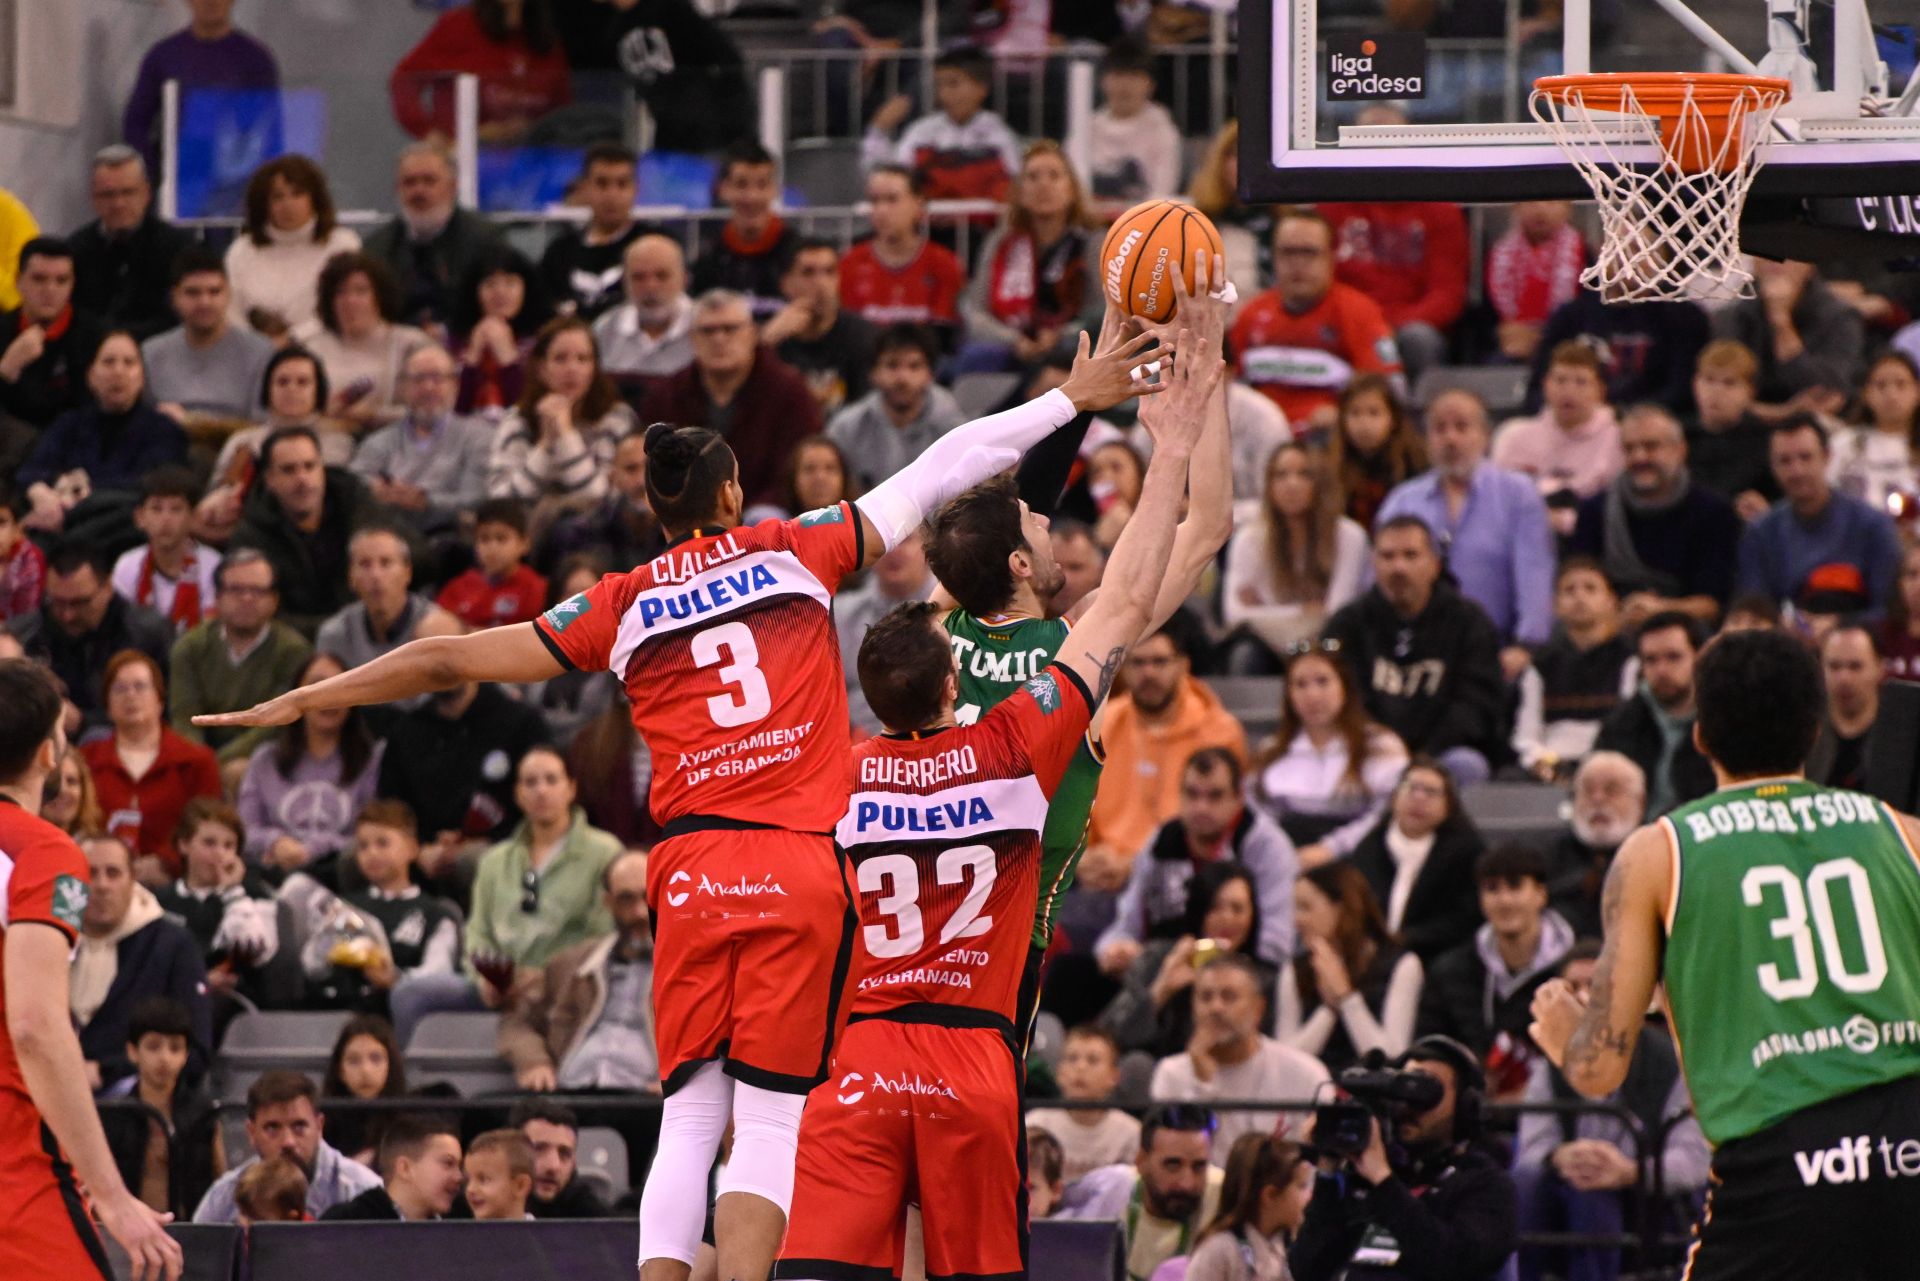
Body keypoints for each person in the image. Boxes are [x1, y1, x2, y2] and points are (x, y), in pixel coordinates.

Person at [194, 325, 1167, 1281]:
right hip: (797, 862)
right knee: (774, 1113)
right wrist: (1066, 401)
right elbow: (944, 462)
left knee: (692, 1112)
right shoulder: (798, 548)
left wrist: (306, 696)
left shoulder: (616, 604)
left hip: (692, 868)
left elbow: (448, 655)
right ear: (734, 494)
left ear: (653, 514)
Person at [773, 316, 1220, 1281]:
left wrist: (1079, 390)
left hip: (867, 1018)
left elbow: (977, 501)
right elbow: (1148, 574)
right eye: (1037, 529)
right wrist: (1180, 417)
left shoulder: (863, 736)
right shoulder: (1034, 716)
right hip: (983, 999)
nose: (1043, 524)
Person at [1528, 627, 1920, 1281]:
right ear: (1815, 730)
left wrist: (1566, 1032)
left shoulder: (1658, 852)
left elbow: (1599, 1070)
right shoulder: (1902, 832)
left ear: (1701, 735)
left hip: (1784, 1164)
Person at [0, 660, 185, 1281]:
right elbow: (34, 1024)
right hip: (14, 1166)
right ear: (50, 752)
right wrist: (111, 1196)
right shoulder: (45, 849)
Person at [389, 740, 617, 1038]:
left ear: (571, 788)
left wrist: (546, 977)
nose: (541, 790)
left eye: (551, 780)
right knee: (410, 994)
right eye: (530, 782)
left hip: (564, 986)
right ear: (518, 795)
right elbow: (478, 933)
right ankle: (404, 1081)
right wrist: (487, 982)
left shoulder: (603, 852)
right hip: (501, 987)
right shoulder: (495, 860)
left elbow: (602, 935)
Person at [1513, 943, 1709, 1281]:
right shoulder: (1548, 1068)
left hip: (1647, 1205)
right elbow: (1532, 1149)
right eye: (1573, 988)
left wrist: (1627, 1170)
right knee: (1529, 1182)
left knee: (1594, 1196)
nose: (1585, 998)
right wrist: (1563, 1156)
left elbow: (1692, 1161)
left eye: (1596, 985)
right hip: (1564, 1199)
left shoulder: (1671, 1061)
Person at [1289, 1036, 1519, 1281]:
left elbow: (1453, 1263)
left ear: (1465, 1106)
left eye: (1426, 1090)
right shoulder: (1369, 1179)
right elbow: (1306, 1269)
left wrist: (1383, 1180)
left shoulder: (1485, 1184)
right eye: (1403, 1089)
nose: (1409, 1106)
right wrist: (1328, 1172)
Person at [1376, 389, 1555, 667]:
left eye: (1462, 427)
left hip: (1499, 650)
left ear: (1485, 436)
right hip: (1415, 652)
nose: (1450, 439)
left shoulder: (1518, 494)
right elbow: (1379, 580)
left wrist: (1526, 646)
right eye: (1439, 429)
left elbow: (1534, 572)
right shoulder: (1402, 501)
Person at [1323, 517, 1507, 785]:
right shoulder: (1347, 623)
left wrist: (1422, 758)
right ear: (1374, 564)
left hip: (1444, 754)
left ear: (1435, 565)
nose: (1398, 567)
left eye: (1411, 556)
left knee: (1468, 765)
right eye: (1388, 556)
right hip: (1370, 751)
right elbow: (1341, 697)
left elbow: (1475, 706)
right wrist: (1384, 746)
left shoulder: (1469, 622)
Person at [372, 613, 553, 861]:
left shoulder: (520, 722)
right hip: (420, 860)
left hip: (504, 854)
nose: (442, 665)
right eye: (430, 656)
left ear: (472, 646)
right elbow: (391, 809)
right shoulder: (406, 732)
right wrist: (419, 849)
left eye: (450, 649)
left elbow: (539, 804)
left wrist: (480, 844)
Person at [1097, 749, 1298, 969]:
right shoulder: (1163, 840)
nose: (1201, 807)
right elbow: (1128, 922)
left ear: (1239, 798)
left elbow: (1275, 945)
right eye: (1192, 794)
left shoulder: (1267, 847)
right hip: (1161, 966)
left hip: (1239, 972)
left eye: (1215, 795)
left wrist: (1201, 966)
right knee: (1069, 974)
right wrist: (1115, 949)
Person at [1083, 619, 1248, 887]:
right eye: (1138, 663)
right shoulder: (1101, 725)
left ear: (1184, 666)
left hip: (1188, 874)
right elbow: (1077, 808)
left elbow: (1223, 823)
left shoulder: (1220, 732)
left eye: (1159, 662)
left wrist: (1139, 864)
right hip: (1102, 875)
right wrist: (1083, 858)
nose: (1148, 673)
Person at [631, 290, 824, 509]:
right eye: (708, 331)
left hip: (768, 523)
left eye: (730, 329)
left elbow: (793, 475)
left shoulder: (791, 393)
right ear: (692, 338)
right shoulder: (665, 396)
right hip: (685, 517)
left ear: (752, 334)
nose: (719, 339)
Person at [1415, 846, 1574, 1092]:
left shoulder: (1577, 969)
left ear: (1541, 894)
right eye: (1492, 888)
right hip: (1473, 1111)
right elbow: (1428, 1051)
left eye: (1515, 886)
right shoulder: (1450, 972)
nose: (1505, 900)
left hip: (1557, 1107)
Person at [497, 848, 657, 1092]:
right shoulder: (571, 964)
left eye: (649, 897)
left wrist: (685, 1082)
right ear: (608, 903)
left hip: (648, 1102)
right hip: (570, 1093)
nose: (640, 912)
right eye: (626, 899)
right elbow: (517, 1021)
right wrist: (534, 1062)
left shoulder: (694, 970)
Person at [1569, 403, 1743, 628]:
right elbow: (1577, 584)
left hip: (1686, 632)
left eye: (1651, 447)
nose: (1640, 457)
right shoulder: (1595, 510)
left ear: (1680, 450)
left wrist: (1658, 610)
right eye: (1630, 449)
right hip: (1609, 631)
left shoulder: (1713, 512)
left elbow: (1713, 604)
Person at [1230, 207, 1403, 433]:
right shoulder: (1251, 314)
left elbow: (1388, 394)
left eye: (1309, 252)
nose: (1297, 263)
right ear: (1273, 256)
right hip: (1261, 439)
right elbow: (1230, 388)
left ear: (1331, 256)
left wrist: (1342, 415)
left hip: (1331, 442)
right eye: (1288, 252)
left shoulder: (1360, 313)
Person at [71, 833, 212, 1091]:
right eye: (89, 873)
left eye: (113, 873)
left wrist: (106, 1071)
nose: (101, 885)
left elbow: (196, 1051)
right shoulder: (51, 941)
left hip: (137, 1102)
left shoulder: (172, 945)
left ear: (132, 880)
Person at [1150, 956, 1331, 1155]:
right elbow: (1179, 1163)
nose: (1215, 1008)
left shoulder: (1304, 1072)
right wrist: (1203, 1085)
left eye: (1229, 996)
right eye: (1205, 997)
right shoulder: (1171, 1074)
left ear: (1258, 1009)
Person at [1099, 863, 1278, 1059]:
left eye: (1237, 909)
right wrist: (1162, 989)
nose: (1227, 918)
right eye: (1215, 907)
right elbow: (1105, 1040)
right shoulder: (1159, 958)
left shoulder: (1264, 979)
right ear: (1198, 910)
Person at [1246, 646, 1408, 864]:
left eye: (1323, 681)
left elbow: (1387, 813)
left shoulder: (1381, 746)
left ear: (1345, 687)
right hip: (1288, 854)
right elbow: (1257, 812)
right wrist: (1281, 852)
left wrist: (1331, 849)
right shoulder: (1271, 750)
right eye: (1300, 684)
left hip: (1360, 854)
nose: (1312, 695)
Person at [17, 332, 188, 533]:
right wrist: (39, 491)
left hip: (124, 531)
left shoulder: (162, 429)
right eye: (108, 362)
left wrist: (78, 492)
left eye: (129, 363)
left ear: (142, 378)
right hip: (60, 526)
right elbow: (31, 470)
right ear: (91, 376)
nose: (118, 372)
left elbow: (148, 485)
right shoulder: (70, 424)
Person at [1737, 415, 1902, 622]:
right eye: (1785, 461)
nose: (1796, 471)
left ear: (1827, 457)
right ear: (1772, 466)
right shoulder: (1760, 533)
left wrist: (1838, 625)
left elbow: (1889, 610)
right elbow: (1755, 610)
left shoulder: (1873, 525)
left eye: (1806, 457)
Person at [1222, 445, 1372, 672]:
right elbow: (1234, 614)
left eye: (1304, 474)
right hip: (1268, 646)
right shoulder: (1249, 538)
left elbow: (1335, 615)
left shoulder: (1349, 536)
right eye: (1281, 475)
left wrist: (1264, 611)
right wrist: (1302, 611)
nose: (1291, 484)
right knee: (1245, 655)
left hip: (1328, 644)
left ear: (1321, 483)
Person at [237, 652, 383, 880]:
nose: (328, 697)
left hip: (339, 877)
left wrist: (316, 847)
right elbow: (244, 830)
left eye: (340, 686)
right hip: (273, 872)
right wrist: (276, 842)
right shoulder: (265, 759)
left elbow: (376, 835)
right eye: (317, 685)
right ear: (295, 694)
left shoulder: (371, 760)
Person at [956, 141, 1100, 373]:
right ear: (1020, 193)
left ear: (1072, 190)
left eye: (1054, 176)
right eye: (1032, 177)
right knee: (974, 358)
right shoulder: (1000, 242)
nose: (1043, 185)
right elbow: (974, 311)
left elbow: (1101, 315)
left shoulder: (1092, 243)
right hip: (1011, 347)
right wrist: (1014, 340)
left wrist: (1060, 336)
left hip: (1071, 349)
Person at [229, 426, 387, 636]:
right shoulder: (251, 536)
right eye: (289, 470)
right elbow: (262, 618)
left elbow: (418, 556)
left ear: (322, 469)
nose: (302, 479)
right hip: (296, 649)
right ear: (269, 480)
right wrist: (340, 629)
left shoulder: (356, 503)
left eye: (310, 466)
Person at [303, 802, 462, 1012]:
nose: (372, 854)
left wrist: (397, 979)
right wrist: (330, 944)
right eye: (363, 846)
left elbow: (437, 975)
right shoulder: (344, 907)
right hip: (341, 1013)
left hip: (403, 1016)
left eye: (383, 843)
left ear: (412, 849)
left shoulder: (436, 914)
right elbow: (312, 966)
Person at [487, 317, 640, 524]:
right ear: (541, 368)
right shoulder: (517, 421)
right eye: (560, 359)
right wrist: (546, 446)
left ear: (594, 369)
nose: (572, 369)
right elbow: (502, 502)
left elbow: (603, 499)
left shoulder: (617, 420)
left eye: (582, 359)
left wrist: (566, 436)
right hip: (529, 532)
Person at [81, 652, 222, 875]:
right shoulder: (85, 760)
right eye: (119, 689)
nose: (130, 695)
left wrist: (166, 862)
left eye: (140, 686)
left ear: (160, 699)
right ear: (107, 704)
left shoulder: (197, 761)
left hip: (174, 880)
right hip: (97, 877)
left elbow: (208, 829)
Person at [1277, 861, 1423, 1073]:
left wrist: (1347, 998)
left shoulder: (1402, 966)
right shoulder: (1295, 969)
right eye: (1296, 908)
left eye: (1306, 907)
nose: (1296, 920)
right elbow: (1286, 1061)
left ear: (1342, 908)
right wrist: (1329, 1009)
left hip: (1374, 1097)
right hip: (1310, 1093)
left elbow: (1391, 1059)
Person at [9, 546, 173, 730]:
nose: (67, 615)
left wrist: (84, 721)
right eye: (58, 602)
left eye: (80, 603)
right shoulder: (24, 635)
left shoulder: (148, 634)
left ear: (108, 588)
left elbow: (166, 710)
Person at [1057, 1104, 1225, 1281]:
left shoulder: (1226, 1195)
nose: (1187, 1183)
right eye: (1173, 1165)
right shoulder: (1107, 1190)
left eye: (1199, 1167)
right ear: (1141, 1161)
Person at [1320, 185, 1469, 380]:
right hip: (1345, 319)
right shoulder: (1334, 204)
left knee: (1420, 339)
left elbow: (1447, 295)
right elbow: (1322, 280)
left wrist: (1388, 325)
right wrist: (1362, 322)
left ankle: (1414, 408)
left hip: (1407, 327)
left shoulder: (1440, 211)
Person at [1345, 760, 1486, 964]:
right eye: (1410, 788)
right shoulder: (1370, 848)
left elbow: (1465, 919)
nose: (1418, 798)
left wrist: (1404, 940)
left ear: (1449, 806)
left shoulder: (1467, 852)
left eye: (1430, 792)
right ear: (1394, 798)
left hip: (1437, 957)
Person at [194, 1070, 382, 1223]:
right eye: (272, 1128)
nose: (288, 1142)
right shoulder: (224, 1196)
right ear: (251, 1133)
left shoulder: (363, 1190)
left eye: (299, 1126)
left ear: (319, 1126)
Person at [349, 343, 494, 534]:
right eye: (418, 379)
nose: (428, 387)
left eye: (437, 378)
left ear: (455, 386)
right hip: (388, 535)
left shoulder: (478, 436)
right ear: (402, 388)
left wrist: (425, 501)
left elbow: (476, 499)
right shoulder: (379, 441)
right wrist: (377, 491)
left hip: (450, 536)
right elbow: (353, 482)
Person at [1510, 559, 1636, 779]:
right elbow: (1526, 735)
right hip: (1551, 766)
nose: (1580, 597)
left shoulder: (1630, 660)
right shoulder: (1539, 666)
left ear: (1611, 601)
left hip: (1611, 765)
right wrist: (1540, 761)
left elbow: (1631, 727)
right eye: (1569, 590)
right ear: (1555, 605)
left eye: (1590, 588)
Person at [151, 800, 282, 1010]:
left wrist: (232, 893)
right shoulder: (158, 901)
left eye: (229, 846)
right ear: (184, 844)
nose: (220, 854)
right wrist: (199, 981)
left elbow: (256, 950)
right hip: (174, 1004)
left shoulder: (255, 894)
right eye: (209, 843)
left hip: (239, 1006)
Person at [99, 996, 219, 1218]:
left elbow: (219, 1182)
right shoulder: (113, 1115)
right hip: (128, 1234)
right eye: (153, 1047)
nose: (164, 1058)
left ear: (186, 1055)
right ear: (132, 1051)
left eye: (175, 1048)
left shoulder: (204, 1114)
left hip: (192, 1234)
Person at [360, 145, 504, 331]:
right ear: (398, 189)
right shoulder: (376, 249)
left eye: (429, 181)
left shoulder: (485, 240)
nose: (419, 191)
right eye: (410, 182)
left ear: (452, 187)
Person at [123, 0, 277, 170]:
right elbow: (136, 124)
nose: (211, 2)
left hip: (237, 180)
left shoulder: (255, 59)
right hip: (179, 180)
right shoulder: (163, 57)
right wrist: (156, 173)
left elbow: (269, 128)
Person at [860, 44, 1022, 205]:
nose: (944, 94)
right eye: (939, 85)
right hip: (928, 227)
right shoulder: (921, 132)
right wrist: (878, 131)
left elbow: (1015, 188)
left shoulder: (1000, 135)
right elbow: (891, 179)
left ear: (982, 88)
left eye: (953, 84)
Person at [390, 0, 570, 143]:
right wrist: (429, 133)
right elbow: (404, 79)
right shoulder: (459, 26)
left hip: (530, 162)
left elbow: (561, 110)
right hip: (466, 158)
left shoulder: (546, 41)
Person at [223, 157, 361, 339]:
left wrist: (292, 339)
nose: (288, 205)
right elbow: (230, 312)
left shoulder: (342, 244)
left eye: (297, 194)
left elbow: (343, 306)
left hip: (326, 346)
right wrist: (258, 346)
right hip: (253, 351)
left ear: (314, 198)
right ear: (264, 204)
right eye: (278, 197)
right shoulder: (241, 250)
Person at [1594, 611, 1714, 819]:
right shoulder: (1621, 725)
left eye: (1673, 657)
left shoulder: (1721, 722)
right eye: (1651, 660)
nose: (1662, 670)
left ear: (1699, 657)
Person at [1711, 258, 1866, 417]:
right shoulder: (1731, 316)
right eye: (1766, 252)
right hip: (1743, 428)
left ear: (1809, 265)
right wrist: (1784, 412)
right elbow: (1719, 397)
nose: (1775, 261)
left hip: (1816, 429)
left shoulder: (1840, 318)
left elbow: (1827, 394)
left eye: (1788, 255)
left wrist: (1782, 324)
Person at [68, 145, 194, 340]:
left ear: (146, 193)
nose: (118, 204)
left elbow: (180, 316)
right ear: (93, 198)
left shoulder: (180, 248)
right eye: (108, 195)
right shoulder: (75, 249)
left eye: (128, 193)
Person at [142, 246, 273, 423]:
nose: (205, 302)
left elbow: (261, 427)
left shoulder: (261, 352)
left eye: (214, 292)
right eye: (192, 293)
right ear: (174, 297)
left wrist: (193, 423)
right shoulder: (151, 353)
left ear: (228, 294)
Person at [825, 323, 964, 490]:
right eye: (892, 365)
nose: (902, 378)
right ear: (873, 373)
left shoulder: (956, 430)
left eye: (914, 366)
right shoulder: (845, 429)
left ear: (930, 374)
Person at [1524, 293, 1708, 418]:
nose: (1626, 258)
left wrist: (1623, 414)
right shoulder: (1571, 315)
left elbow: (1680, 391)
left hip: (1640, 420)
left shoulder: (1681, 316)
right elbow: (1534, 392)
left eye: (1638, 247)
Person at [303, 253, 430, 430]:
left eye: (361, 291)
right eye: (340, 292)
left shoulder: (411, 344)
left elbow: (430, 410)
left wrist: (373, 415)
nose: (350, 301)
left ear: (379, 296)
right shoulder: (312, 349)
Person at [837, 164, 965, 338]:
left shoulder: (944, 263)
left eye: (892, 200)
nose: (881, 210)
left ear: (918, 206)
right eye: (874, 201)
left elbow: (943, 332)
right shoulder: (849, 264)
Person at [1493, 341, 1625, 506]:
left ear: (1600, 391)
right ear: (1545, 385)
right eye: (1560, 381)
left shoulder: (1618, 440)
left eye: (1581, 382)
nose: (1569, 391)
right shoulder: (1514, 437)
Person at [313, 526, 452, 678]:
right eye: (365, 564)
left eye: (385, 563)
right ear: (351, 576)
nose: (375, 575)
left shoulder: (436, 629)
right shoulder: (335, 635)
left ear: (407, 572)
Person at [0, 237, 105, 435]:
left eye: (61, 280)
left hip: (73, 448)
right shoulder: (3, 330)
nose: (50, 290)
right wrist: (6, 370)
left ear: (72, 285)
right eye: (39, 279)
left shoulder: (96, 337)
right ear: (18, 281)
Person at [1067, 37, 1183, 211]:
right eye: (1118, 75)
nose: (1125, 85)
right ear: (1103, 81)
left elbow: (1163, 192)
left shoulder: (1164, 131)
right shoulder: (1085, 129)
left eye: (1134, 76)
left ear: (1150, 85)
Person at [765, 239, 877, 416]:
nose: (821, 283)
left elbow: (869, 411)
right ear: (786, 284)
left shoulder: (864, 336)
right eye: (808, 273)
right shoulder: (772, 339)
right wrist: (765, 343)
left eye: (830, 272)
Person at [538, 144, 649, 321]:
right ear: (585, 187)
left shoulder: (655, 247)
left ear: (636, 189)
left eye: (622, 184)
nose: (612, 194)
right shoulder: (559, 253)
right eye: (602, 184)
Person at [691, 142, 800, 319]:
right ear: (723, 190)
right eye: (741, 185)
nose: (752, 197)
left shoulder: (798, 255)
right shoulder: (708, 261)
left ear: (776, 190)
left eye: (762, 185)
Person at [1543, 752, 1645, 937]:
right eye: (1587, 791)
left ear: (1640, 801)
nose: (1597, 799)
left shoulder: (1656, 855)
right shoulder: (1548, 859)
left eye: (1612, 791)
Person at [1024, 1026, 1142, 1182]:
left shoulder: (1131, 1133)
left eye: (1093, 1060)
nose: (1081, 1067)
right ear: (1059, 1072)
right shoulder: (1036, 1124)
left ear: (1114, 1076)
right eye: (1072, 1058)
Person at [113, 467, 221, 636]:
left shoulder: (214, 566)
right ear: (140, 518)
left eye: (176, 509)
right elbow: (120, 629)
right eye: (156, 509)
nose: (166, 519)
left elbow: (212, 633)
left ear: (193, 517)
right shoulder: (127, 565)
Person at [451, 244, 552, 417]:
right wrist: (473, 358)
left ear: (526, 288)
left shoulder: (544, 340)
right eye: (490, 284)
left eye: (511, 283)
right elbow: (454, 411)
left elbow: (529, 410)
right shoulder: (455, 340)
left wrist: (507, 358)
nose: (500, 292)